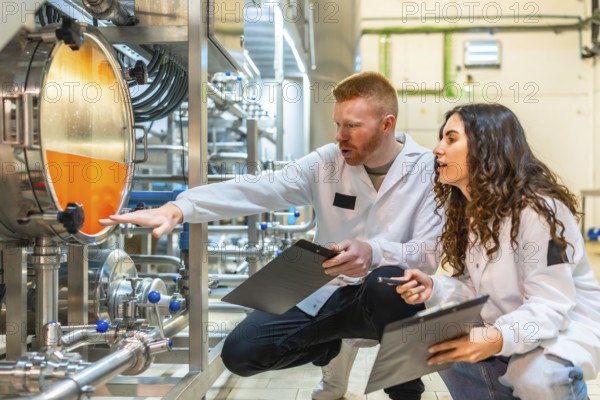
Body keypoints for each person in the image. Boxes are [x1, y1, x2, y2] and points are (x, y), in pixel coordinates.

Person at [100, 71, 442, 400]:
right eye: (338, 124)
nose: (339, 136)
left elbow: (427, 254)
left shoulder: (427, 169)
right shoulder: (327, 162)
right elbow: (261, 188)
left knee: (389, 283)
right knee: (241, 353)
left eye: (352, 126)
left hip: (384, 296)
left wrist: (374, 251)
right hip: (324, 281)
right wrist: (181, 207)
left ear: (387, 125)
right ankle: (327, 346)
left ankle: (406, 393)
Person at [394, 103, 600, 399]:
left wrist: (497, 336)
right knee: (441, 344)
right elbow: (476, 287)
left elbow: (551, 305)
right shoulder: (472, 211)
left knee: (537, 378)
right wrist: (434, 287)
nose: (437, 149)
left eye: (451, 139)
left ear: (485, 147)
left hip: (560, 327)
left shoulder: (539, 210)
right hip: (513, 319)